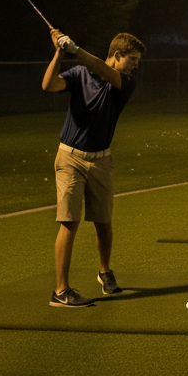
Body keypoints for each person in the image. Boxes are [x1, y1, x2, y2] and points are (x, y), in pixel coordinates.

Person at [42, 28, 144, 308]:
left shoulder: (124, 81)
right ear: (118, 55)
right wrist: (60, 53)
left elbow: (99, 67)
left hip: (101, 160)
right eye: (133, 59)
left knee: (103, 221)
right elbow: (48, 85)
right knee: (69, 221)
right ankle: (61, 291)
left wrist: (75, 49)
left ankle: (104, 271)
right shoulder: (78, 74)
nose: (136, 65)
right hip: (69, 158)